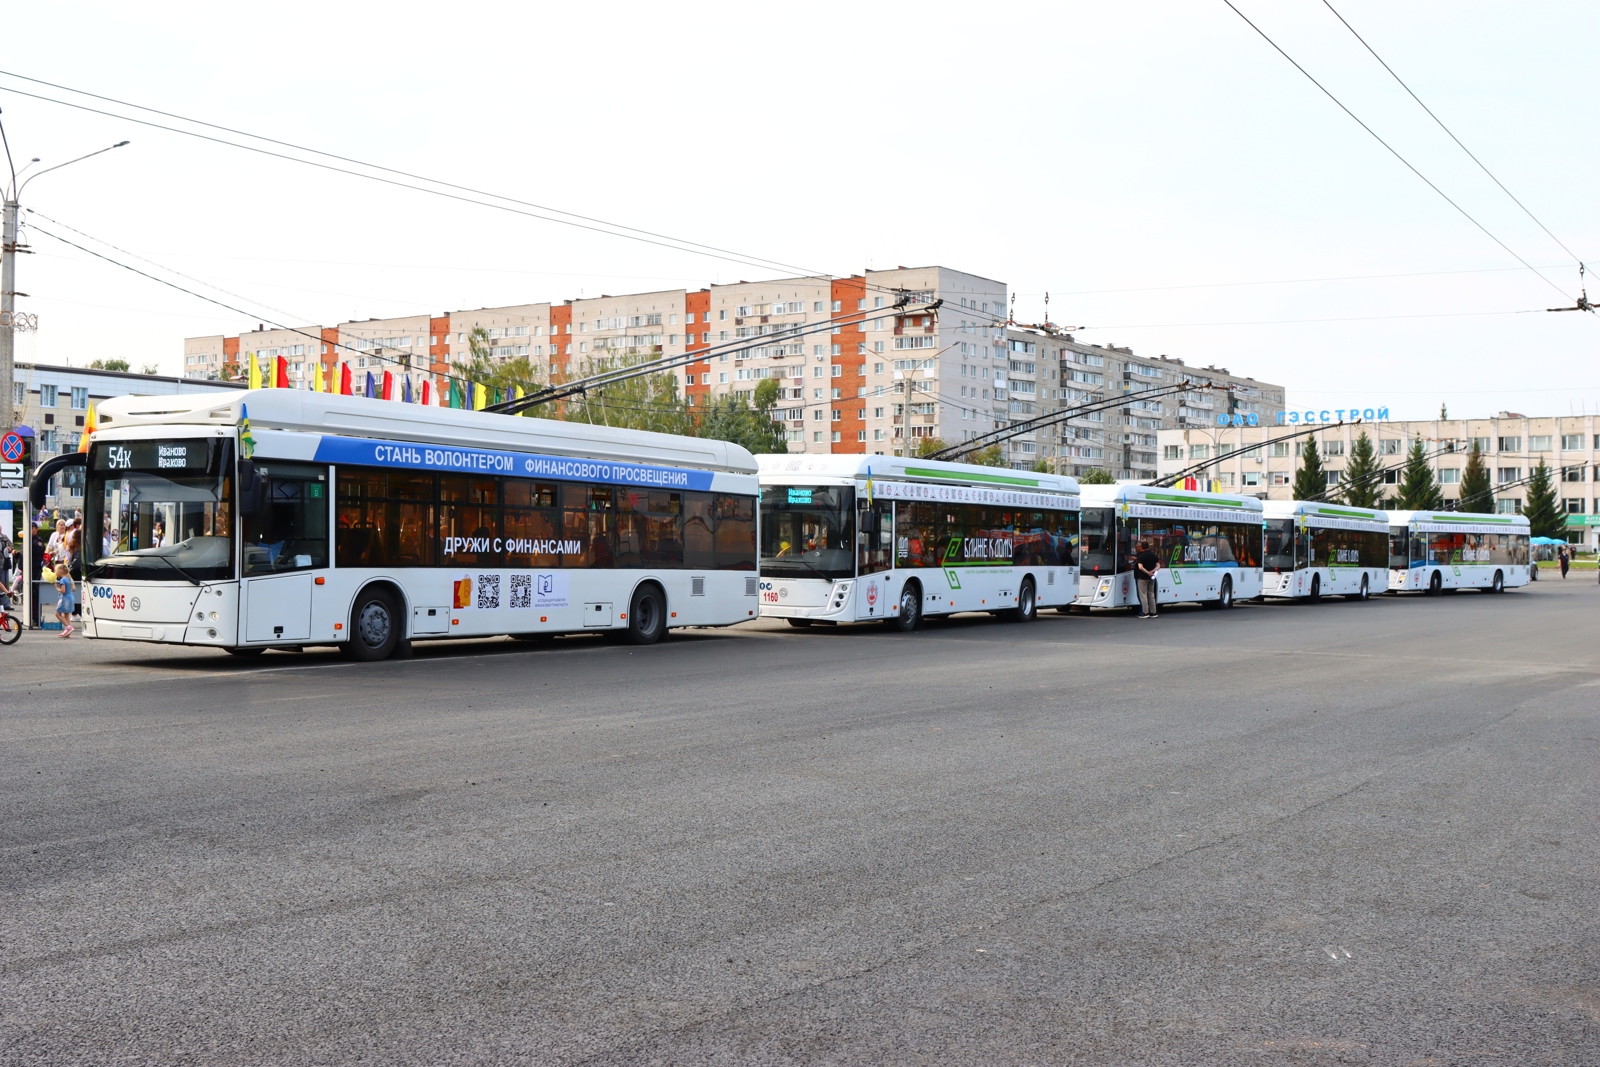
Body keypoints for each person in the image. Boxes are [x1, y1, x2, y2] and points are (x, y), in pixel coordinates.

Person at [1134, 539, 1161, 619]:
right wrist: (1152, 571)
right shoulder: (1153, 555)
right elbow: (1158, 566)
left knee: (1143, 595)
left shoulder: (1141, 556)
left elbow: (1140, 567)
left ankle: (1145, 612)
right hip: (1152, 578)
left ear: (1142, 547)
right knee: (1151, 594)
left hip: (1142, 577)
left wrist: (1147, 572)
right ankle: (1153, 612)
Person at [53, 562, 75, 638]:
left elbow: (63, 591)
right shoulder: (68, 579)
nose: (55, 572)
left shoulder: (63, 580)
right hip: (70, 598)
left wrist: (56, 587)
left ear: (61, 571)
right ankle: (68, 632)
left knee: (57, 614)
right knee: (66, 615)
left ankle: (68, 627)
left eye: (56, 570)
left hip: (65, 599)